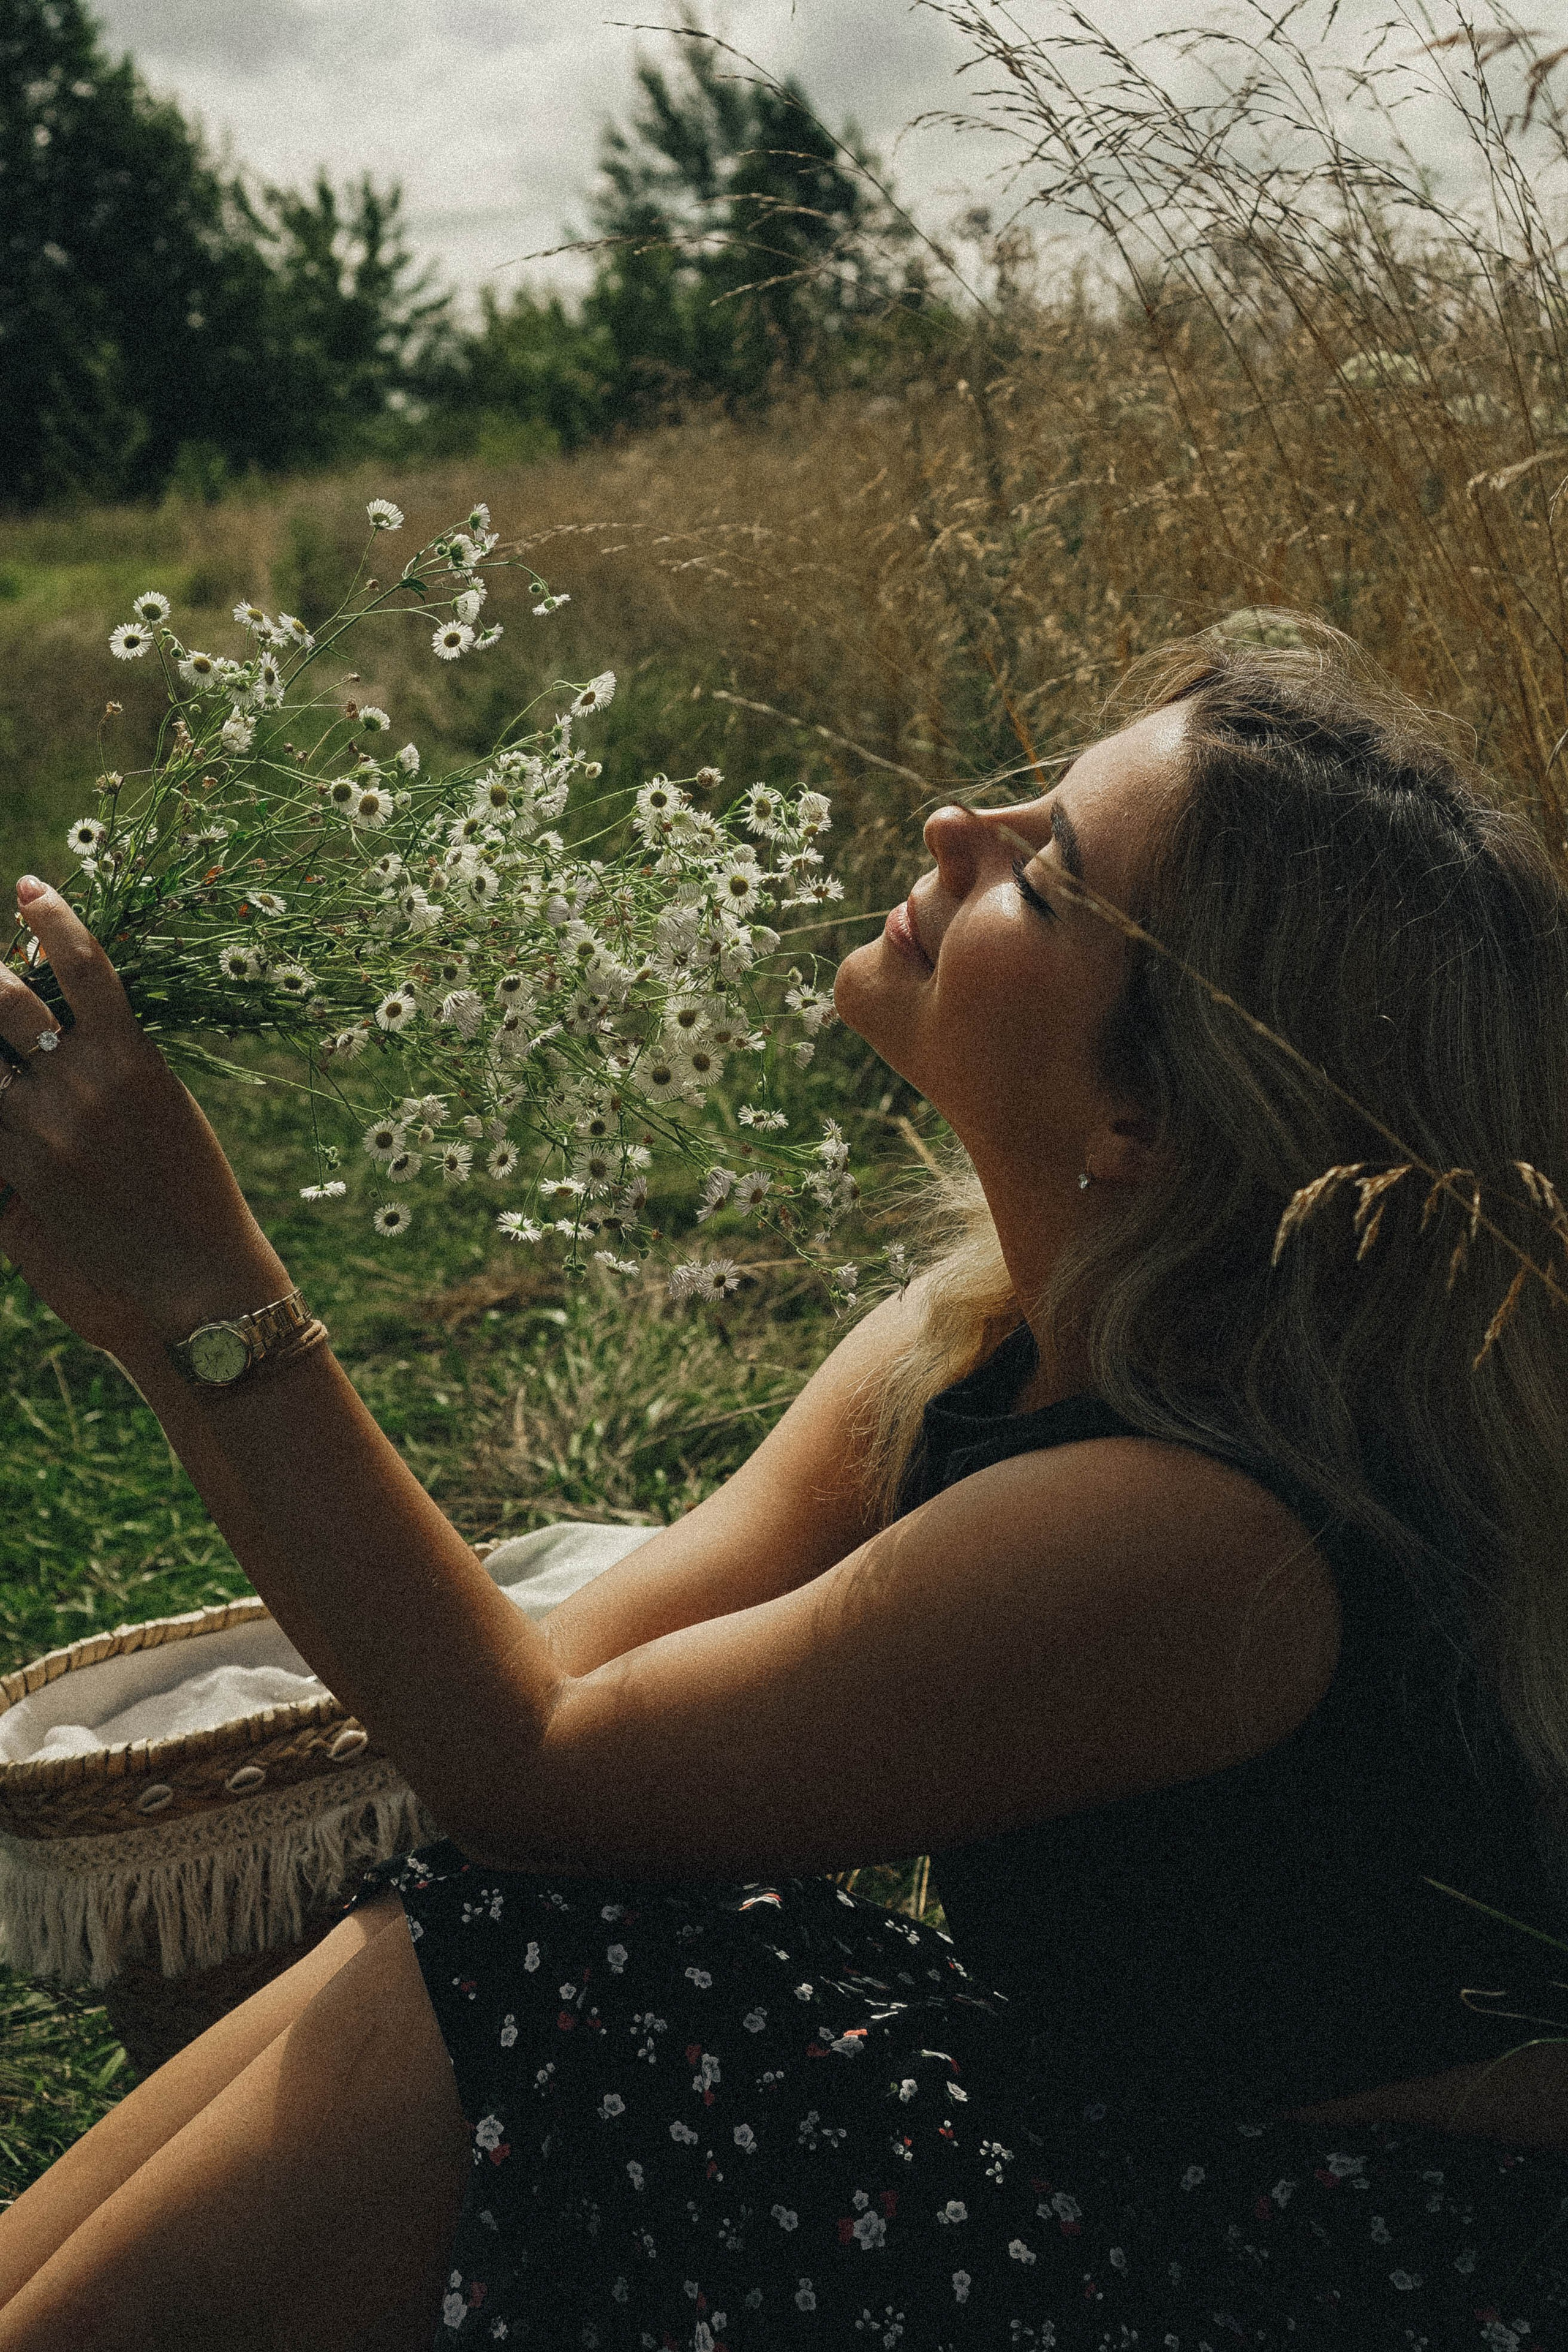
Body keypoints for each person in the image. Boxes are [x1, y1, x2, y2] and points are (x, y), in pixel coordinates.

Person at [0, 616, 1564, 2351]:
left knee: (575, 1972)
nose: (955, 831)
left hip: (1304, 2276)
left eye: (1042, 883)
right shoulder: (978, 1335)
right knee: (531, 1927)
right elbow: (563, 1691)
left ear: (1152, 1123)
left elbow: (532, 1770)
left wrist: (206, 1292)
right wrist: (154, 1311)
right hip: (1125, 2157)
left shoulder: (1206, 1526)